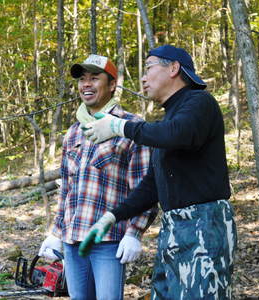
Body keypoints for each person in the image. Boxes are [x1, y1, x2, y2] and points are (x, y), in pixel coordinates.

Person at [80, 45, 238, 300]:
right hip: (174, 228)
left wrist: (120, 126)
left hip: (205, 225)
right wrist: (112, 216)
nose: (143, 77)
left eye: (149, 68)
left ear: (174, 68)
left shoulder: (199, 102)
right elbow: (153, 184)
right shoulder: (168, 120)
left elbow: (178, 133)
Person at [39, 54, 157, 300]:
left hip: (108, 241)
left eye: (95, 78)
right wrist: (55, 233)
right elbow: (66, 189)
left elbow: (146, 187)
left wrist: (134, 233)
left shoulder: (131, 126)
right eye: (82, 79)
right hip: (72, 242)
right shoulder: (73, 132)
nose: (86, 84)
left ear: (112, 84)